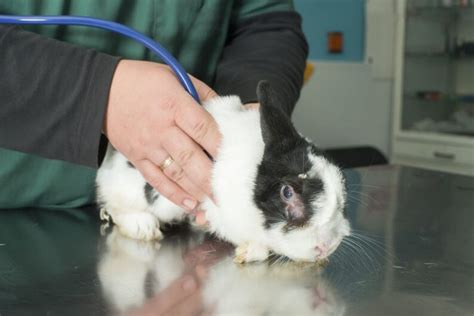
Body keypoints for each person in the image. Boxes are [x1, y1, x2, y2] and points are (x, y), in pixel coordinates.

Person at [0, 1, 308, 213]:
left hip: (180, 222)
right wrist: (101, 93)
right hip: (17, 225)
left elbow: (265, 21)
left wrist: (251, 114)